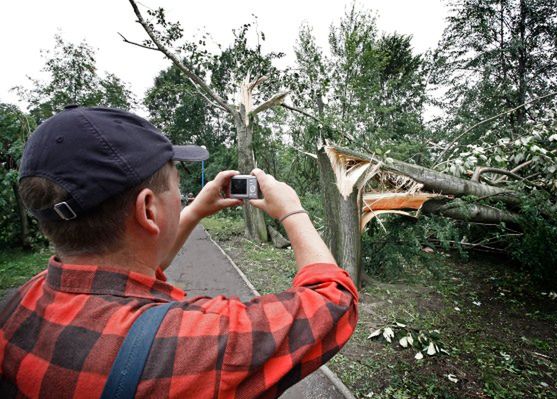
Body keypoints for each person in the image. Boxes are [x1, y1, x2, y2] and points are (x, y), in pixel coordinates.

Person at [0, 106, 358, 398]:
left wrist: (197, 209)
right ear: (149, 210)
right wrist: (293, 211)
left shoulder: (16, 305)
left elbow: (134, 269)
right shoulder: (193, 345)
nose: (183, 194)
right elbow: (335, 301)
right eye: (176, 185)